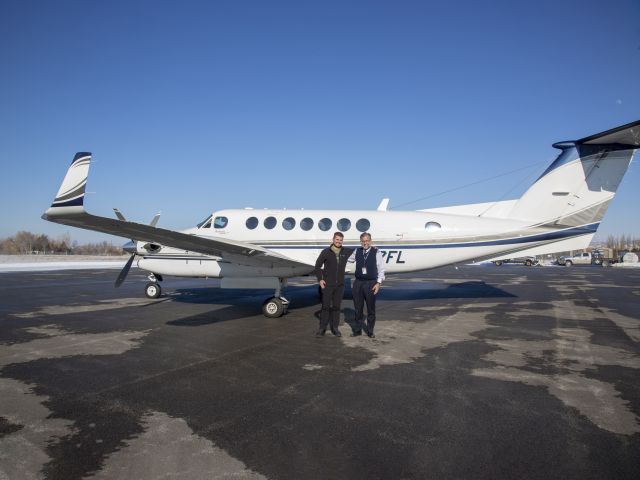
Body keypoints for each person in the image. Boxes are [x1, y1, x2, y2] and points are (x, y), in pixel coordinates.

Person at [314, 232, 354, 337]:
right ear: (333, 240)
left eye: (340, 240)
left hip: (340, 285)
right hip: (328, 285)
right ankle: (322, 328)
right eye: (337, 239)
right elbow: (317, 266)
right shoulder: (326, 252)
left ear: (342, 241)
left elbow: (358, 251)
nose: (339, 241)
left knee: (336, 307)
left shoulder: (346, 251)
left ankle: (335, 328)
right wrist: (320, 280)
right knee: (325, 307)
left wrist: (373, 248)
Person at [348, 232, 385, 338]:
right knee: (358, 308)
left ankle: (370, 331)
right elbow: (348, 258)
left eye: (367, 240)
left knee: (370, 309)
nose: (365, 243)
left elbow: (381, 268)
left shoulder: (376, 252)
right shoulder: (357, 251)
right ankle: (357, 330)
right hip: (358, 283)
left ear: (370, 241)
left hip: (371, 283)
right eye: (363, 241)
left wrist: (378, 283)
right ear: (361, 242)